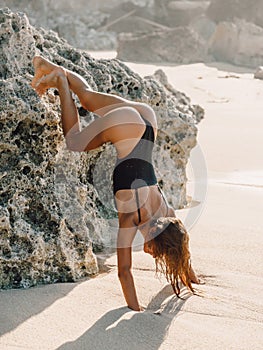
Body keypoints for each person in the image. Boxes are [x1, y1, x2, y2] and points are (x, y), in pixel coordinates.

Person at [31, 56, 199, 311]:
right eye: (158, 250)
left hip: (146, 122)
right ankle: (60, 82)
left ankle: (49, 66)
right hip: (127, 129)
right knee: (75, 142)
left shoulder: (168, 216)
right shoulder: (133, 214)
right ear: (153, 235)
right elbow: (124, 272)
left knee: (87, 98)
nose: (153, 254)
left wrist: (190, 276)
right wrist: (136, 309)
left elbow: (180, 244)